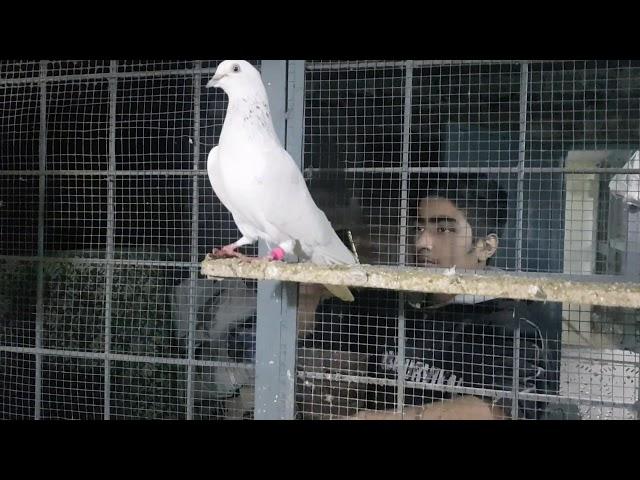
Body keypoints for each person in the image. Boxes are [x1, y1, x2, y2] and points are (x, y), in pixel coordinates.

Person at [302, 174, 565, 420]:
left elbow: (502, 410)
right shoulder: (395, 305)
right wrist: (310, 289)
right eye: (420, 227)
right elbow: (308, 329)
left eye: (444, 229)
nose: (422, 243)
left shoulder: (510, 324)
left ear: (486, 246)